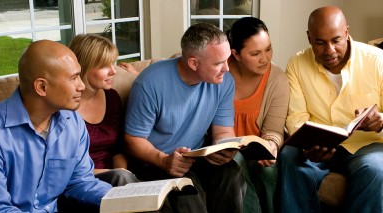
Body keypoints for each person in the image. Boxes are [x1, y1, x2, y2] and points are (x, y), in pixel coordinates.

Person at [124, 23, 246, 213]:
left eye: (227, 60)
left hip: (195, 157)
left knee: (230, 173)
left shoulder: (224, 82)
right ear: (193, 63)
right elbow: (132, 140)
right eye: (218, 63)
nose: (227, 69)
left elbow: (222, 131)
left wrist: (224, 147)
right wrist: (164, 160)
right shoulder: (149, 82)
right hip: (155, 161)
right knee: (188, 187)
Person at [0, 40, 112, 212]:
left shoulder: (73, 122)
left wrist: (121, 198)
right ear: (42, 87)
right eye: (74, 78)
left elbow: (80, 182)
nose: (81, 86)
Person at [279, 6, 383, 213]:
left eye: (336, 40)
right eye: (320, 42)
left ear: (346, 33)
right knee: (289, 156)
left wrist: (381, 119)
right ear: (309, 38)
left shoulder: (377, 60)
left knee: (377, 170)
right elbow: (296, 116)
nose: (329, 51)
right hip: (318, 145)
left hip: (366, 145)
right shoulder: (296, 64)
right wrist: (309, 142)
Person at [227, 17, 289, 213]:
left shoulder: (277, 79)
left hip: (257, 149)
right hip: (224, 147)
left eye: (268, 49)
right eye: (255, 53)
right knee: (234, 164)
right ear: (235, 54)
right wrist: (134, 69)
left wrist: (270, 144)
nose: (265, 59)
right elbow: (184, 61)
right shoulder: (217, 69)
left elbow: (273, 130)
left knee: (268, 170)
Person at [68, 34, 138, 185]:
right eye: (105, 66)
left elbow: (117, 150)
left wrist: (123, 173)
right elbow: (66, 167)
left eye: (113, 63)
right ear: (84, 67)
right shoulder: (64, 107)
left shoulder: (112, 97)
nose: (114, 71)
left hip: (117, 179)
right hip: (81, 181)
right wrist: (117, 175)